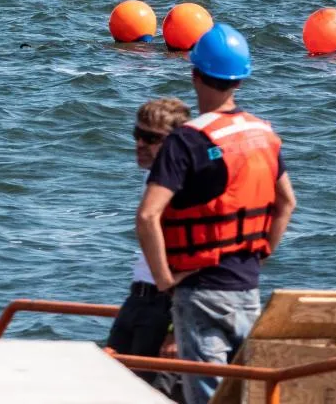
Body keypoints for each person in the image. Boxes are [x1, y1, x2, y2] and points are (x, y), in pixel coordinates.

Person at [136, 24, 297, 404]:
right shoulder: (264, 134)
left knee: (207, 396)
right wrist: (262, 252)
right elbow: (287, 202)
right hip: (248, 286)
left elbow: (148, 216)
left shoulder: (186, 140)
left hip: (200, 290)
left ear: (194, 74)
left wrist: (163, 280)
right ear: (240, 80)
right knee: (244, 393)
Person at [107, 97, 191, 403]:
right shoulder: (154, 178)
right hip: (137, 299)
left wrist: (174, 327)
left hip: (164, 307)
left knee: (155, 394)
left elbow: (197, 259)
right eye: (137, 134)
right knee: (111, 385)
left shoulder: (184, 187)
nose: (140, 144)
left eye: (151, 138)